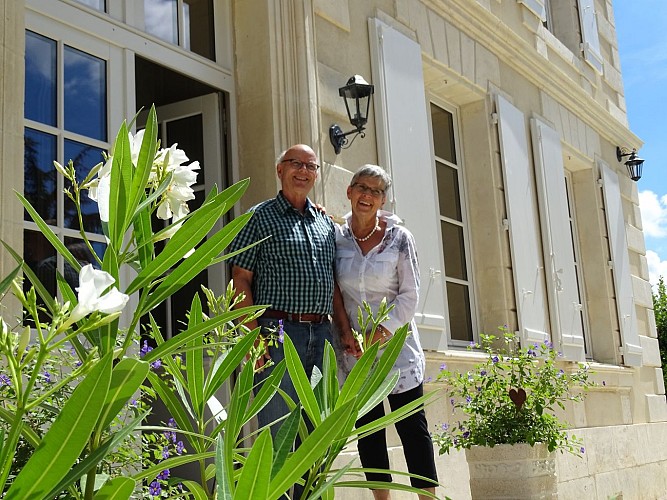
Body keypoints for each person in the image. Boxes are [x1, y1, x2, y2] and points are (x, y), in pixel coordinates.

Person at [228, 144, 356, 439]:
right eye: (295, 163)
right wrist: (252, 339)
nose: (304, 171)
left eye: (311, 166)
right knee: (279, 431)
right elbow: (240, 279)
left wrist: (345, 329)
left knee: (317, 430)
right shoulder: (258, 218)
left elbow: (332, 282)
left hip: (322, 334)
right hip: (277, 333)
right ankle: (275, 488)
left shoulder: (324, 222)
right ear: (280, 170)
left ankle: (311, 489)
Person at [335, 164, 438, 500]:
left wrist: (380, 333)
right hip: (355, 354)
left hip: (397, 351)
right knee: (369, 433)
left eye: (376, 191)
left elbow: (410, 295)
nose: (367, 195)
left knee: (412, 431)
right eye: (361, 187)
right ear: (349, 192)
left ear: (383, 200)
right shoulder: (336, 237)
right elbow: (334, 288)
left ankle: (427, 497)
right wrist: (347, 332)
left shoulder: (399, 239)